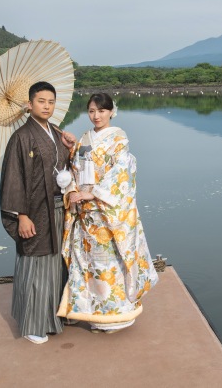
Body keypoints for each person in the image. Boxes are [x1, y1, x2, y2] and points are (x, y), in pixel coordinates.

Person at [61, 92, 158, 333]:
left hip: (106, 212)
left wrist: (92, 193)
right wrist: (73, 187)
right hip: (86, 215)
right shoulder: (84, 138)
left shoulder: (118, 139)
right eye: (92, 111)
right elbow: (74, 168)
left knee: (110, 264)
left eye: (102, 111)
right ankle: (93, 314)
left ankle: (118, 316)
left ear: (111, 112)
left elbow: (121, 175)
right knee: (89, 264)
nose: (96, 116)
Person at [0, 81, 76, 344]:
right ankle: (33, 322)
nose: (47, 106)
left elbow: (65, 165)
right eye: (41, 101)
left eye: (51, 101)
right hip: (33, 211)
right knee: (35, 263)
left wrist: (70, 144)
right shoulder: (21, 138)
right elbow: (13, 179)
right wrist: (21, 214)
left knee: (57, 263)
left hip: (58, 208)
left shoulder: (56, 134)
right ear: (29, 104)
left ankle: (56, 314)